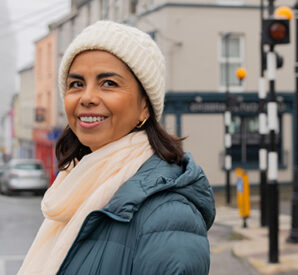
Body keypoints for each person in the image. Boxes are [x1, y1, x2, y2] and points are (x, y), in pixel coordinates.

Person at [18, 20, 215, 275]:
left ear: (145, 105)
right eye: (76, 84)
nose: (87, 97)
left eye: (108, 83)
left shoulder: (168, 215)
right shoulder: (74, 191)